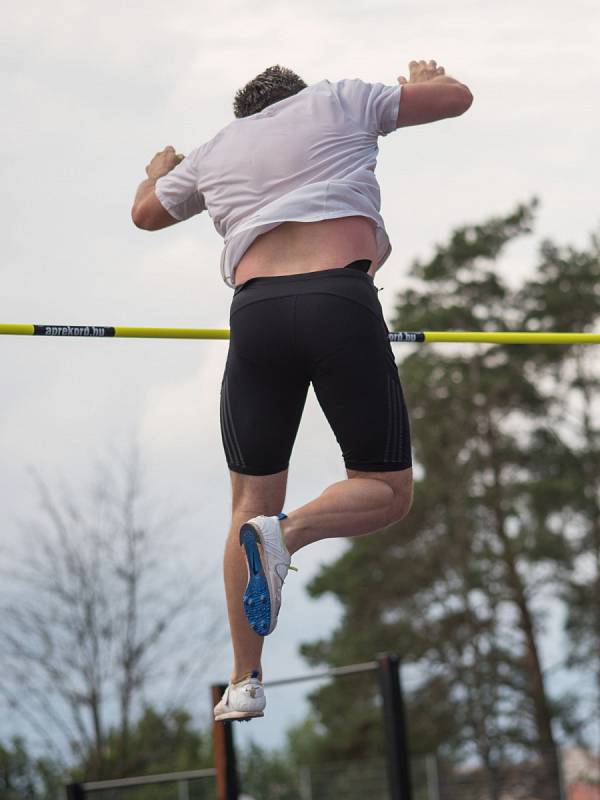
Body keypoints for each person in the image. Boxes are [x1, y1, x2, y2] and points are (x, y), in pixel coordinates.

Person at [131, 60, 473, 721]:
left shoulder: (215, 151)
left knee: (247, 505)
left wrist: (159, 168)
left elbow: (146, 212)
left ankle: (244, 680)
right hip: (337, 301)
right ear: (296, 95)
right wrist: (430, 73)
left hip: (255, 316)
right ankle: (289, 536)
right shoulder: (341, 98)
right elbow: (455, 99)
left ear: (247, 112)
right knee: (387, 490)